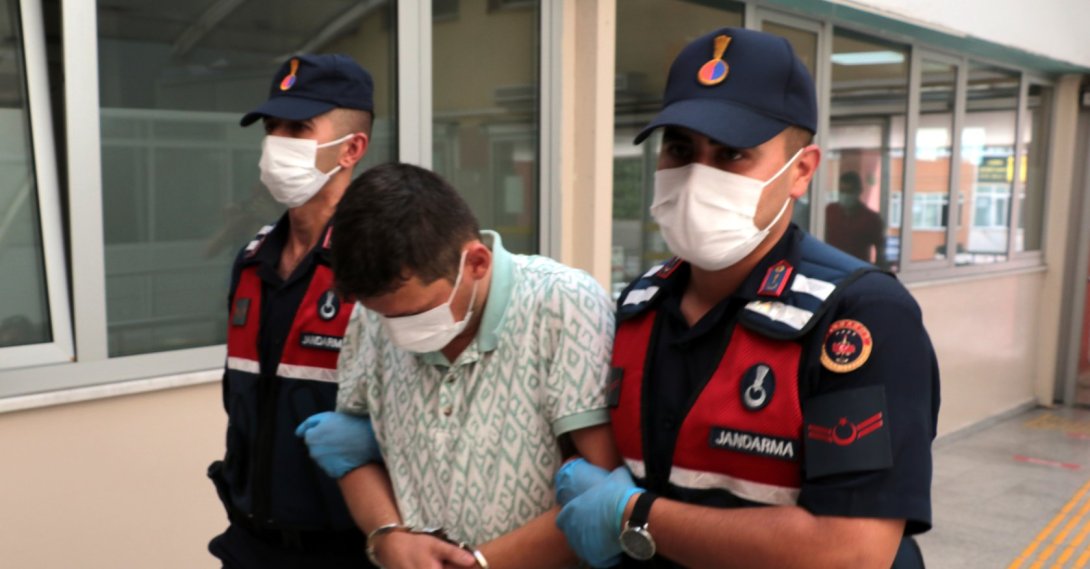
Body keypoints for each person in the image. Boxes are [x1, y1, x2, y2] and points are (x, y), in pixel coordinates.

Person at [553, 27, 940, 569]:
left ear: (800, 171)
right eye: (680, 149)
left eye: (732, 154)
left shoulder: (858, 316)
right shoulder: (639, 306)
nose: (696, 177)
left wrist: (635, 516)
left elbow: (850, 551)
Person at [297, 162, 620, 569]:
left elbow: (601, 494)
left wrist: (479, 565)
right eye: (384, 317)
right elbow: (351, 456)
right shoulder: (373, 317)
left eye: (416, 314)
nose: (400, 334)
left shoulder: (561, 304)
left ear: (477, 263)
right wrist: (388, 536)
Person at [206, 53, 377, 569]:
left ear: (351, 148)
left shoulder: (377, 261)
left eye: (299, 128)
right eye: (272, 126)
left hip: (345, 549)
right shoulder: (254, 260)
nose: (277, 141)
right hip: (249, 541)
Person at [825, 171, 887, 266]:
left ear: (859, 191)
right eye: (842, 191)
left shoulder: (871, 219)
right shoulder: (830, 211)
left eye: (849, 191)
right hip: (831, 266)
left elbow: (880, 251)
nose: (845, 195)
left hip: (857, 270)